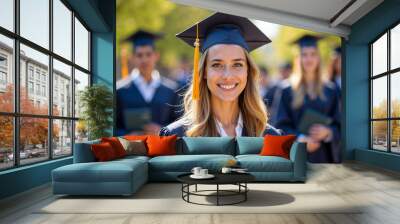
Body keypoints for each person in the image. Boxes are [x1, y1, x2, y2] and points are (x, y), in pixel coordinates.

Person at [160, 12, 281, 137]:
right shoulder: (176, 136)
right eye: (217, 65)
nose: (227, 76)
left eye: (237, 64)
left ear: (248, 71)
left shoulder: (269, 137)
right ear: (204, 71)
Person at [275, 34, 341, 163]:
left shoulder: (331, 90)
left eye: (313, 54)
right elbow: (279, 126)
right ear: (298, 58)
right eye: (304, 54)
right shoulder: (286, 90)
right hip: (296, 157)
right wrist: (299, 139)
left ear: (318, 57)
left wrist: (328, 132)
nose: (309, 59)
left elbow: (340, 125)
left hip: (325, 158)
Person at [116, 30, 179, 136]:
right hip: (131, 150)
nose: (144, 59)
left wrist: (163, 130)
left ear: (156, 56)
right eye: (139, 55)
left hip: (164, 150)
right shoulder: (120, 90)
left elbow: (179, 124)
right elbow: (114, 127)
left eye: (148, 54)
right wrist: (127, 134)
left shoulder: (172, 89)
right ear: (132, 58)